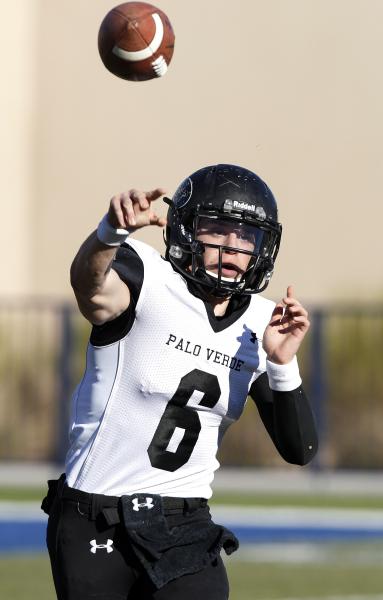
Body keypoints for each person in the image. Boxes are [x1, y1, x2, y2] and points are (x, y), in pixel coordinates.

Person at [42, 163, 318, 600]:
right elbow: (90, 288)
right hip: (95, 514)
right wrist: (110, 234)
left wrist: (282, 363)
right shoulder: (146, 275)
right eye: (218, 230)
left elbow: (299, 450)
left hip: (184, 521)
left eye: (246, 237)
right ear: (186, 231)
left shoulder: (264, 323)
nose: (231, 248)